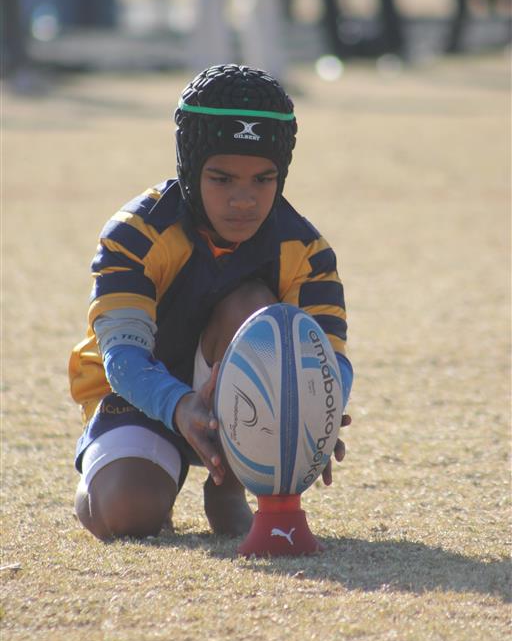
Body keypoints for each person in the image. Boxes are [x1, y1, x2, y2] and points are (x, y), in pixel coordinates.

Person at [69, 64, 353, 541]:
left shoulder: (306, 250)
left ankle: (229, 487)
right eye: (222, 179)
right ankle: (113, 474)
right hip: (140, 395)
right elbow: (123, 358)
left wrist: (318, 412)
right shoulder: (136, 233)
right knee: (126, 514)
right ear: (190, 168)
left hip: (244, 413)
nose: (244, 199)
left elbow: (330, 359)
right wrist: (179, 406)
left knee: (259, 311)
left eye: (263, 179)